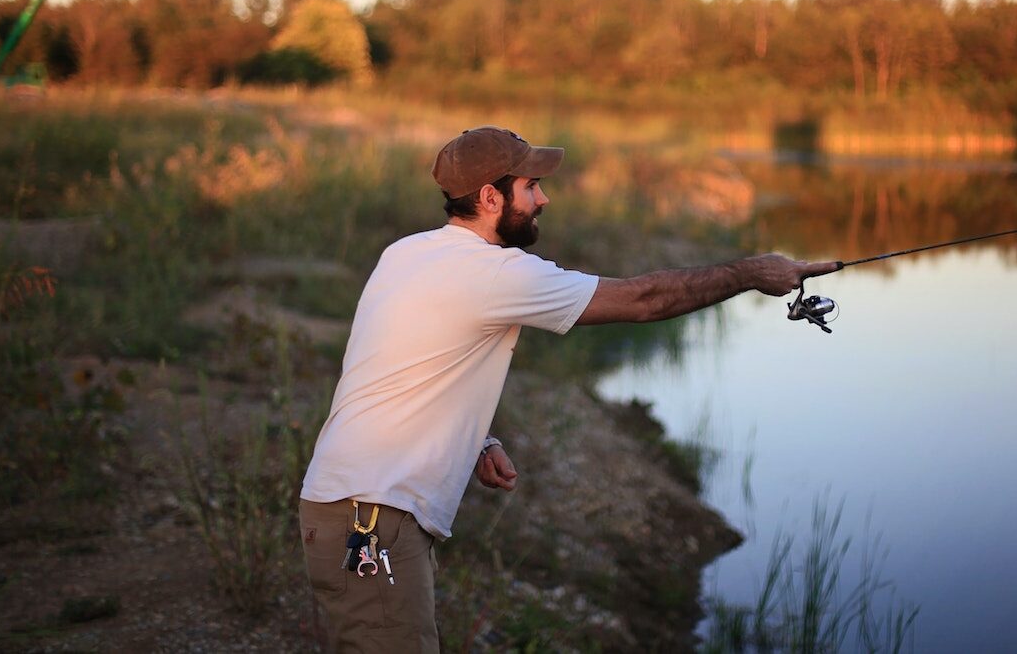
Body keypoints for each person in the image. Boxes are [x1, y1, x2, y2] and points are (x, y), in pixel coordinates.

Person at [299, 126, 840, 652]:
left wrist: (477, 439)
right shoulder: (495, 273)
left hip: (351, 509)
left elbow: (397, 363)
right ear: (491, 197)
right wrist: (751, 272)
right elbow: (643, 300)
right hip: (371, 521)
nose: (545, 198)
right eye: (531, 187)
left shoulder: (408, 252)